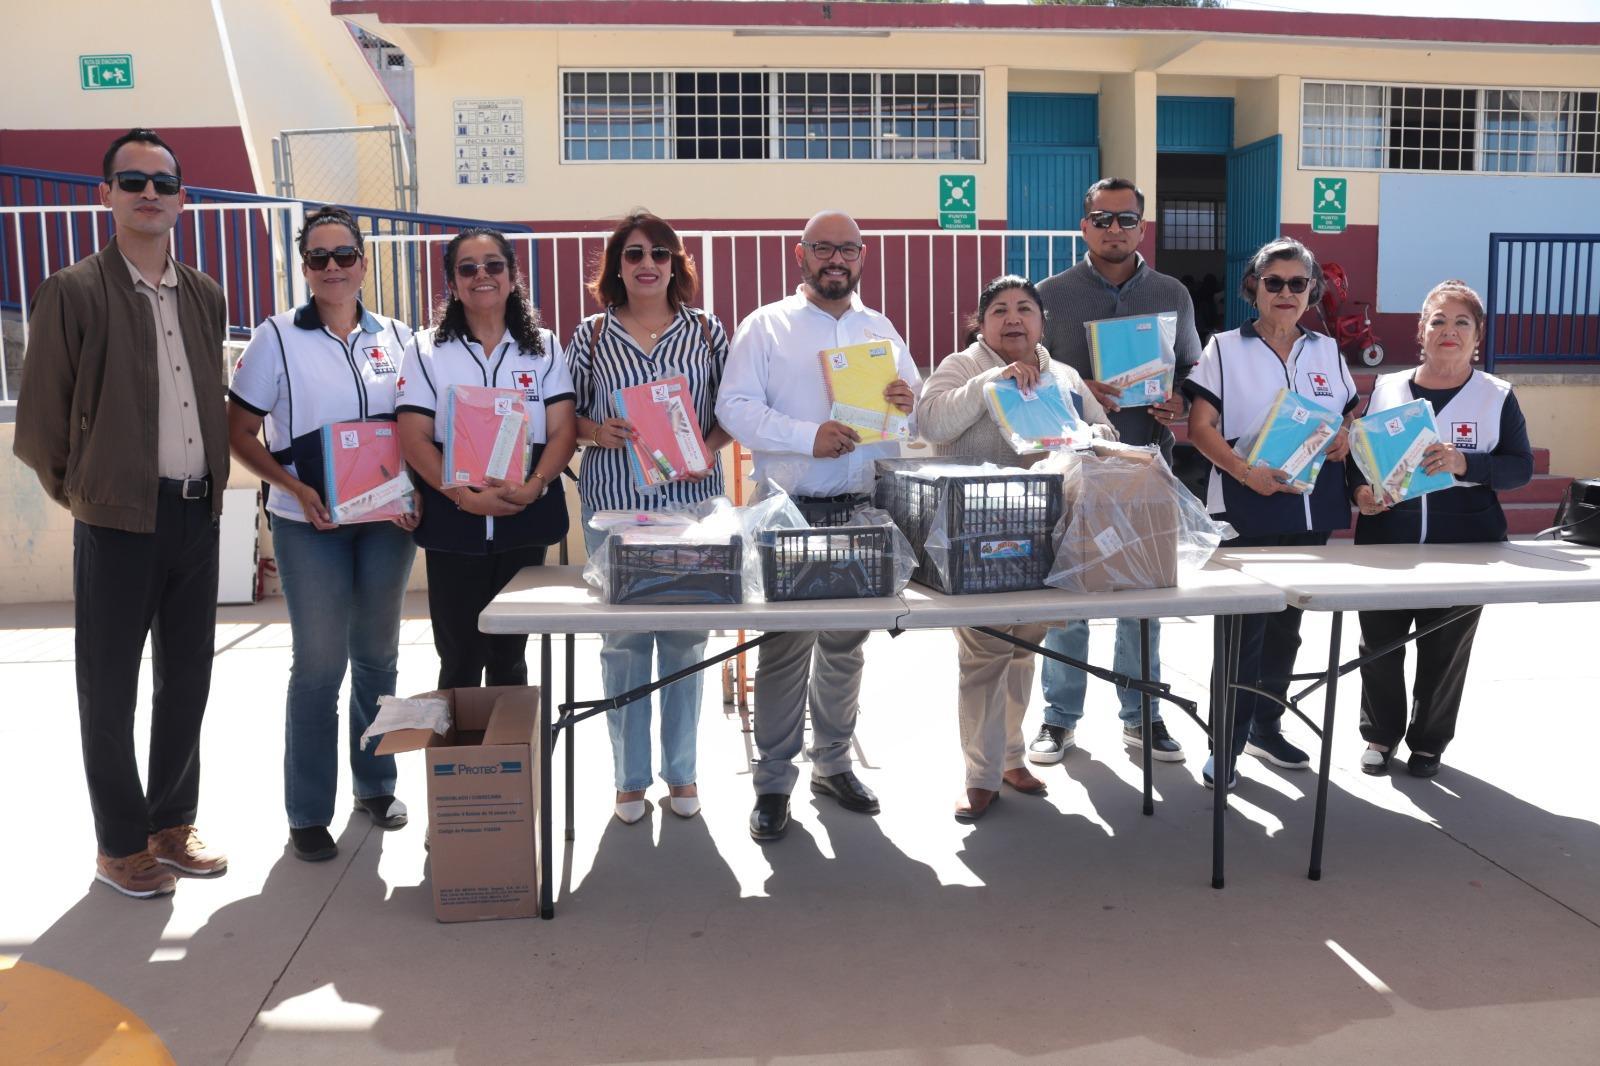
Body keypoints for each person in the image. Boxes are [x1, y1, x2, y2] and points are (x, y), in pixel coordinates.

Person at [13, 128, 230, 897]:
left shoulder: (205, 293)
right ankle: (119, 844)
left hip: (196, 516)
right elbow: (40, 429)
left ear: (181, 198)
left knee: (187, 680)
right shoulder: (72, 290)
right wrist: (91, 499)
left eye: (163, 183)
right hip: (116, 523)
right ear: (104, 194)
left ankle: (172, 822)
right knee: (110, 687)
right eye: (132, 180)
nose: (149, 193)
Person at [715, 210, 921, 842]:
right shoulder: (767, 326)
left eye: (849, 250)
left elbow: (907, 412)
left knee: (844, 648)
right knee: (783, 652)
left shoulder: (878, 326)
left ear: (862, 257)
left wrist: (904, 404)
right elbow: (734, 407)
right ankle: (774, 782)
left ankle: (832, 764)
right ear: (799, 255)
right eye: (824, 249)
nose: (837, 260)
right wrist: (809, 437)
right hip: (790, 512)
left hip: (860, 509)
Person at [227, 206, 421, 862]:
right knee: (318, 666)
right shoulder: (275, 337)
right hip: (310, 524)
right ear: (305, 267)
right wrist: (295, 488)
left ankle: (376, 784)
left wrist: (413, 492)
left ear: (364, 263)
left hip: (386, 527)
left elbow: (417, 431)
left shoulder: (399, 336)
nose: (333, 267)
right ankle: (308, 811)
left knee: (378, 658)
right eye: (319, 258)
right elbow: (239, 434)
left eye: (344, 255)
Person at [918, 275, 1115, 819]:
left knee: (1024, 650)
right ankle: (978, 776)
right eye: (999, 310)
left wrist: (1084, 437)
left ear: (1041, 321)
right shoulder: (961, 366)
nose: (1013, 319)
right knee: (984, 653)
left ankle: (1010, 756)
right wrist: (990, 385)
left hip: (1046, 537)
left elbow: (1105, 436)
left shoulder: (1065, 374)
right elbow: (931, 421)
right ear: (980, 323)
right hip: (973, 537)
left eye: (1024, 309)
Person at [1028, 177, 1201, 768]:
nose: (1114, 230)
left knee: (1142, 602)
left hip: (1145, 467)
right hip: (1073, 471)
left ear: (1142, 228)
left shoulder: (1173, 293)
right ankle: (1059, 719)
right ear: (1084, 226)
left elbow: (1189, 377)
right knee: (1069, 602)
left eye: (1126, 220)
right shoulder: (1050, 294)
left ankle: (1143, 715)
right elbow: (1030, 377)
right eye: (1103, 219)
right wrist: (1079, 388)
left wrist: (1173, 400)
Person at [567, 210, 732, 824]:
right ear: (617, 265)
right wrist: (595, 430)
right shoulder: (589, 336)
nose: (646, 264)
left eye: (659, 254)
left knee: (687, 639)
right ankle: (629, 780)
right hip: (615, 506)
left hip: (692, 503)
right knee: (625, 642)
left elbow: (730, 409)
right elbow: (566, 419)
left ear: (675, 264)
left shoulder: (708, 332)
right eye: (634, 253)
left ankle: (683, 775)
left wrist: (704, 449)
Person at [1182, 237, 1359, 788]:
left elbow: (1349, 417)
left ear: (1312, 290)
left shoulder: (1326, 351)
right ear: (1253, 287)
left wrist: (1345, 439)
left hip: (1312, 510)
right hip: (1246, 506)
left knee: (1287, 628)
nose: (1285, 292)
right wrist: (1243, 472)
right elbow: (1199, 429)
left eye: (1297, 283)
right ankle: (1224, 745)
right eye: (1273, 282)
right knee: (1242, 632)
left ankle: (1266, 727)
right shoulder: (1224, 348)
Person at [1350, 281, 1533, 778]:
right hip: (1389, 541)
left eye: (1461, 323)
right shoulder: (1388, 388)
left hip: (1465, 547)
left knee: (1445, 650)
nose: (1448, 332)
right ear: (1421, 332)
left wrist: (1464, 463)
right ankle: (1380, 736)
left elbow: (1520, 468)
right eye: (1438, 321)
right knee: (1379, 645)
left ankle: (1428, 742)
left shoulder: (1495, 396)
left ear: (1477, 336)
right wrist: (1361, 495)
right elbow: (1358, 459)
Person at [397, 229, 577, 688]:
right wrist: (462, 497)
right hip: (453, 524)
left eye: (494, 265)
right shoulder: (425, 349)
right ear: (452, 283)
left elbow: (562, 431)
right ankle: (461, 762)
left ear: (513, 276)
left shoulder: (544, 346)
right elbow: (414, 437)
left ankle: (510, 757)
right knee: (459, 658)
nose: (482, 275)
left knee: (510, 659)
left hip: (523, 519)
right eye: (468, 268)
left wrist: (534, 485)